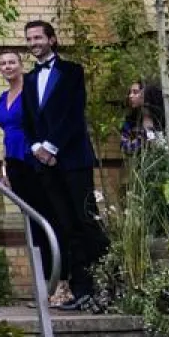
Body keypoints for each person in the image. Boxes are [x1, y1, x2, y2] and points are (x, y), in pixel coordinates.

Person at [20, 19, 108, 311]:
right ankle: (79, 289)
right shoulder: (29, 80)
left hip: (72, 158)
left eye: (38, 38)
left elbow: (73, 114)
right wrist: (36, 147)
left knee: (86, 220)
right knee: (64, 225)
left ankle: (104, 283)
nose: (33, 43)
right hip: (46, 165)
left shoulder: (72, 72)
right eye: (29, 39)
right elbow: (28, 120)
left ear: (52, 39)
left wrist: (52, 146)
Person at [0, 49, 61, 303]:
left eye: (12, 62)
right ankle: (44, 285)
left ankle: (59, 281)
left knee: (46, 216)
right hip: (14, 161)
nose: (7, 66)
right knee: (31, 221)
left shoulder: (30, 91)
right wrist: (4, 170)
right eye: (3, 63)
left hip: (33, 157)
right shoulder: (2, 97)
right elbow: (6, 136)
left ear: (21, 65)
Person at [119, 80, 166, 156]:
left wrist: (150, 132)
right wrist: (143, 137)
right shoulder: (130, 121)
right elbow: (124, 147)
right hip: (140, 162)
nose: (130, 96)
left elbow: (164, 147)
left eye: (135, 92)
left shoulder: (162, 119)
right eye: (130, 92)